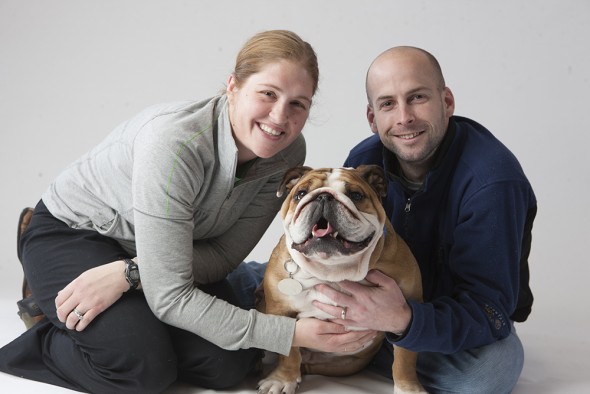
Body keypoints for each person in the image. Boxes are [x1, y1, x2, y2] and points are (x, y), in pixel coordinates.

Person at [0, 30, 376, 394]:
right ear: (233, 86)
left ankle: (134, 326)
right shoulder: (176, 144)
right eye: (267, 94)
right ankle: (45, 321)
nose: (280, 117)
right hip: (80, 233)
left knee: (229, 363)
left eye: (298, 103)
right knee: (139, 367)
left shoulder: (289, 155)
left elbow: (226, 255)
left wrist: (131, 273)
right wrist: (289, 334)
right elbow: (169, 295)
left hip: (173, 252)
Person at [310, 46, 537, 393]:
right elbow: (341, 245)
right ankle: (366, 341)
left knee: (491, 371)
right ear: (372, 119)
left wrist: (402, 320)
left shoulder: (493, 182)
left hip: (440, 319)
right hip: (367, 299)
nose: (404, 117)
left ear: (446, 101)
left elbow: (490, 310)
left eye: (417, 97)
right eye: (388, 104)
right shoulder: (364, 161)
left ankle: (375, 346)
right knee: (267, 278)